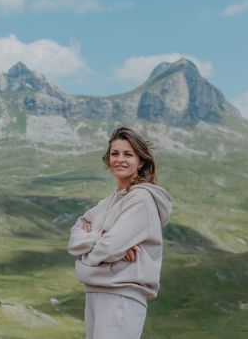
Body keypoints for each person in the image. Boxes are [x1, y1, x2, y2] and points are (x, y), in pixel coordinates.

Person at [68, 126, 172, 339]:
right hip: (96, 292)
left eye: (128, 154)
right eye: (115, 154)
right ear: (108, 160)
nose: (120, 159)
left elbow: (109, 248)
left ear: (140, 161)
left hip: (121, 297)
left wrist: (85, 258)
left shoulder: (141, 200)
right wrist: (101, 236)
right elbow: (74, 239)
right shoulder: (106, 203)